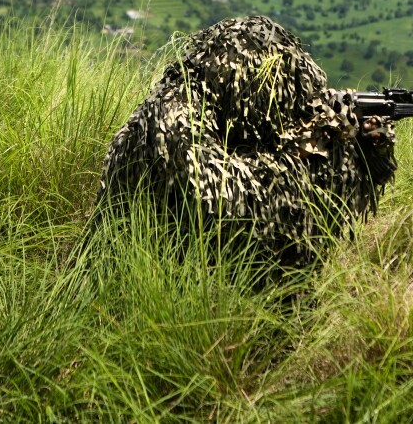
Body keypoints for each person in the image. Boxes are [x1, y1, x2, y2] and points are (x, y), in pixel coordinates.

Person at [98, 15, 396, 268]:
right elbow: (218, 206)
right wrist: (304, 155)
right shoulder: (175, 114)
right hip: (156, 261)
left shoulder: (211, 99)